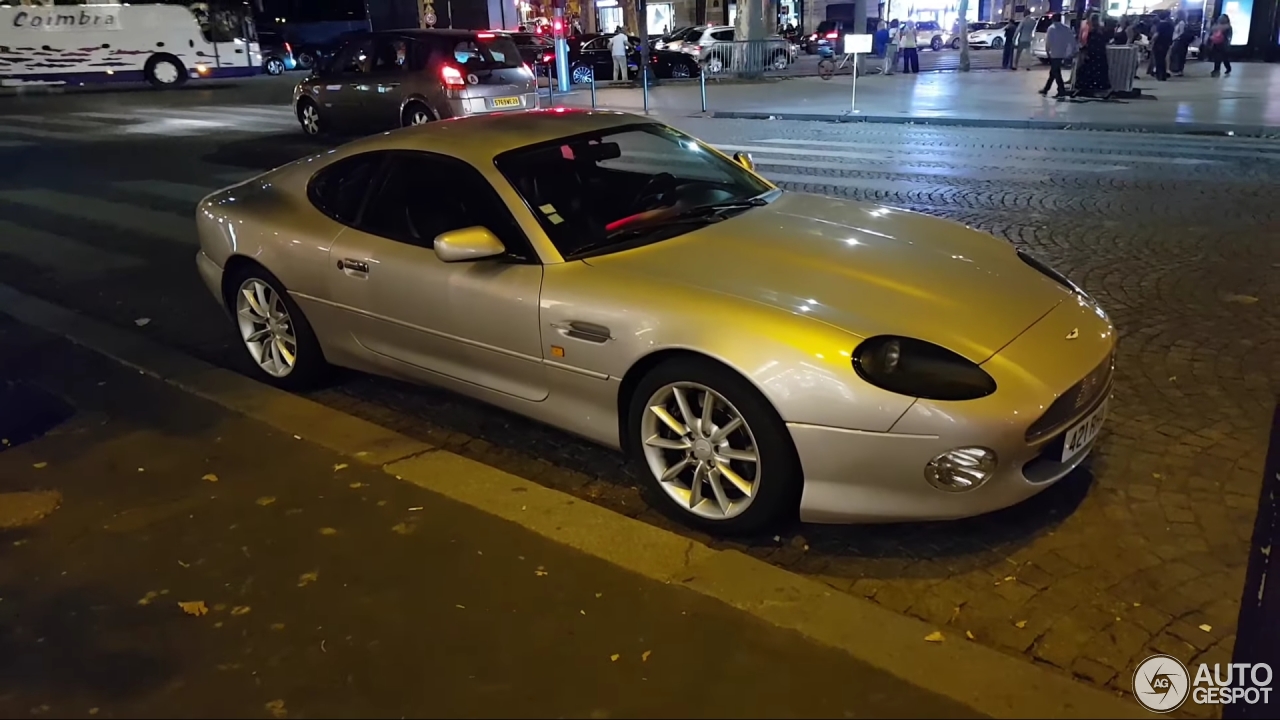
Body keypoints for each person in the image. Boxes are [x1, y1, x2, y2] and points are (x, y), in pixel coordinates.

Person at [1039, 14, 1076, 98]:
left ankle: (1061, 90)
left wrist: (1047, 51)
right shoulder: (1066, 28)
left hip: (1054, 53)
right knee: (1053, 72)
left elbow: (1048, 42)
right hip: (1062, 52)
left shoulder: (1051, 29)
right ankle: (1046, 89)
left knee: (1056, 72)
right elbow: (1071, 41)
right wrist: (1070, 52)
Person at [1074, 14, 1111, 97]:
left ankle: (1088, 88)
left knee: (1086, 70)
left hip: (1093, 54)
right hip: (1099, 54)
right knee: (1098, 72)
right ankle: (1099, 89)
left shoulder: (1093, 31)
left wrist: (1085, 50)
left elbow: (1091, 43)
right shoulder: (1101, 30)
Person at [1150, 10, 1174, 81]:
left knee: (1158, 60)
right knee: (1163, 59)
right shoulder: (1170, 24)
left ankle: (1159, 75)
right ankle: (1163, 75)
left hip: (1159, 43)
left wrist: (1151, 41)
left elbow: (1156, 34)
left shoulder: (1160, 24)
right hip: (1166, 43)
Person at [1170, 11, 1191, 76]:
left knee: (1178, 55)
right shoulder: (1178, 22)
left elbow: (1181, 32)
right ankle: (1177, 69)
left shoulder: (1181, 23)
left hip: (1179, 41)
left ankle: (1179, 70)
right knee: (1176, 55)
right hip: (1176, 40)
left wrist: (1176, 38)